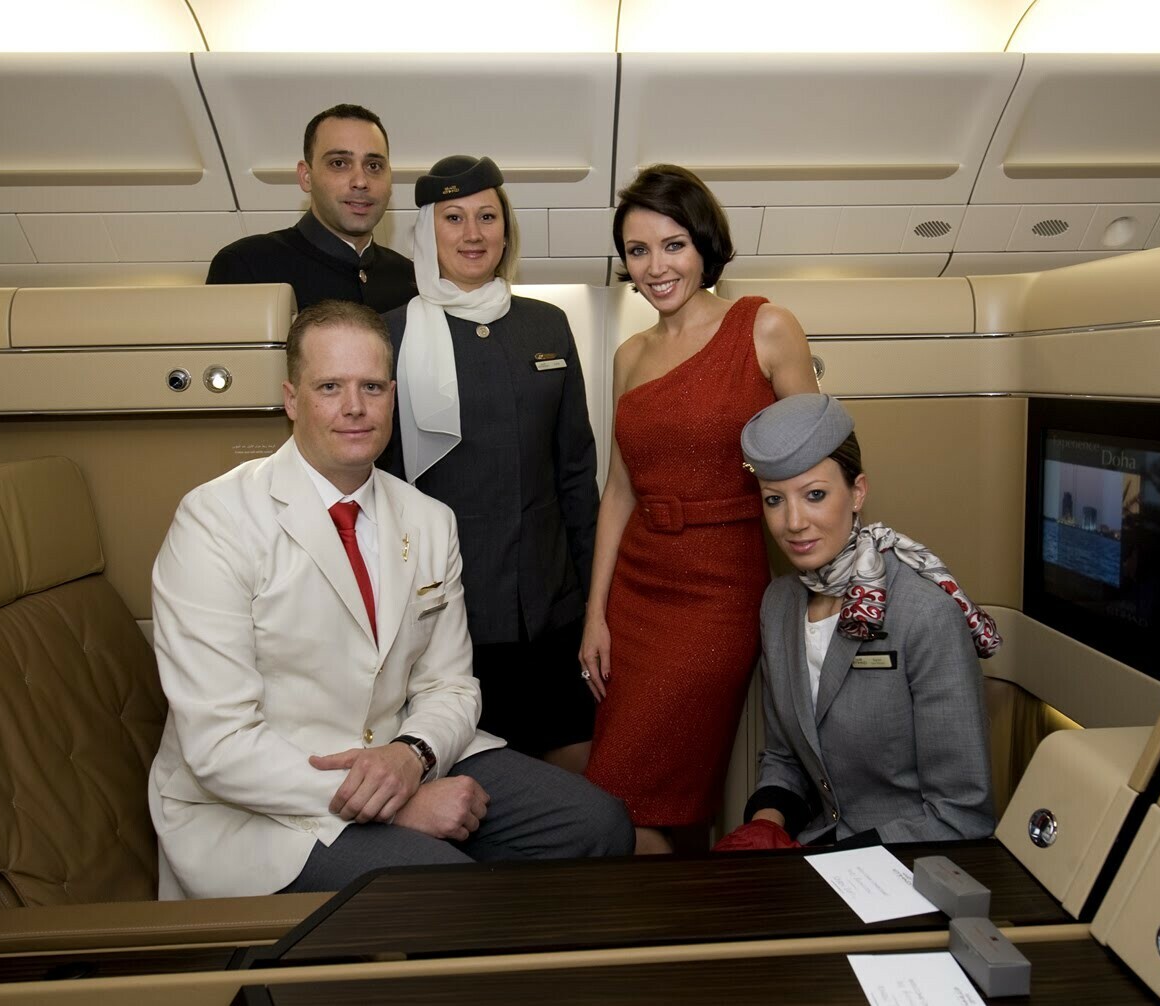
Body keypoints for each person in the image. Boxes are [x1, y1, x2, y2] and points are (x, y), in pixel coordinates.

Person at [147, 300, 631, 899]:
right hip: (265, 800)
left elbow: (451, 686)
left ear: (393, 397)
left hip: (401, 749)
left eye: (371, 387)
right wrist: (393, 802)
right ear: (292, 399)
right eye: (330, 387)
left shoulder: (429, 520)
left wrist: (412, 755)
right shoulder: (214, 521)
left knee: (599, 826)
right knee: (447, 892)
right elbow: (219, 744)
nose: (354, 407)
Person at [580, 164, 819, 853]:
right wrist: (596, 613)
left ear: (704, 244)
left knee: (640, 792)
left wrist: (833, 586)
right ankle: (670, 910)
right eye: (638, 250)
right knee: (618, 790)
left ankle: (657, 913)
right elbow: (619, 490)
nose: (656, 267)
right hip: (637, 590)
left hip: (719, 590)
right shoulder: (629, 355)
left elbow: (815, 461)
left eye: (673, 245)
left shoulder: (766, 328)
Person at [380, 155, 599, 773]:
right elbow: (379, 483)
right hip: (450, 612)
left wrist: (595, 601)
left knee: (574, 774)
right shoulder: (390, 335)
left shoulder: (547, 325)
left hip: (550, 605)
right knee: (475, 785)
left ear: (506, 230)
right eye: (453, 218)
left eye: (487, 216)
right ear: (427, 232)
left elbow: (576, 472)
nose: (472, 233)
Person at [716, 394, 997, 851]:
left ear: (858, 492)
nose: (793, 522)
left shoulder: (924, 615)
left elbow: (962, 814)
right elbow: (786, 758)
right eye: (774, 500)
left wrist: (832, 860)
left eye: (815, 495)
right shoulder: (779, 606)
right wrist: (766, 826)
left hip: (906, 860)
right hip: (818, 850)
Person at [207, 103, 417, 313]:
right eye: (339, 163)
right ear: (306, 177)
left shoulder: (410, 279)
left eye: (373, 166)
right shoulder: (247, 267)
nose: (360, 182)